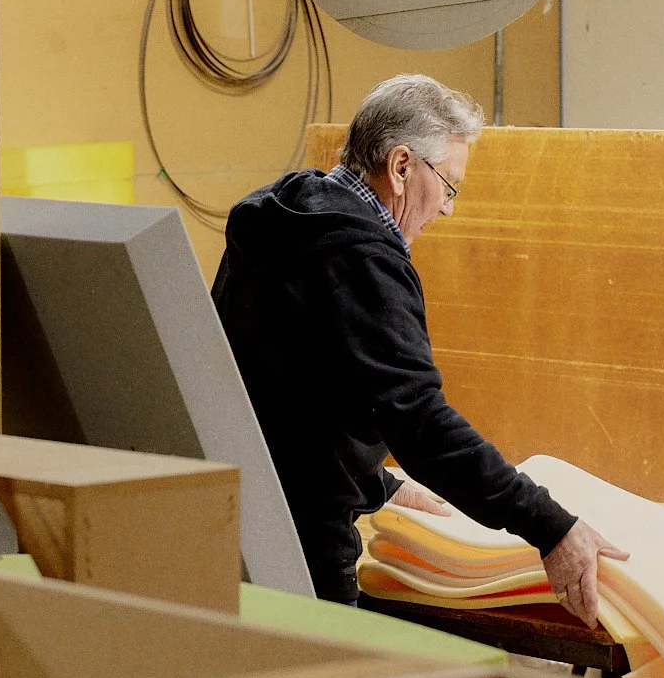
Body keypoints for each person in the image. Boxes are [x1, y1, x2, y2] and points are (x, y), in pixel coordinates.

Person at [212, 73, 626, 616]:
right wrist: (551, 527)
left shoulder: (280, 220)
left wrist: (379, 483)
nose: (448, 209)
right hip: (305, 550)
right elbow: (421, 423)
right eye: (449, 186)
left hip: (229, 527)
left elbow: (288, 392)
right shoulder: (362, 259)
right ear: (402, 167)